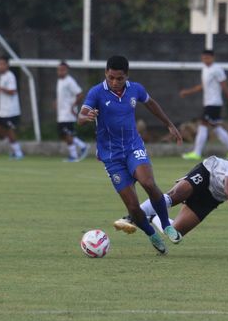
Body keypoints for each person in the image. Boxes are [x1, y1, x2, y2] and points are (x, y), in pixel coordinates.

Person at [78, 55, 183, 255]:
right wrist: (87, 116)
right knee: (134, 207)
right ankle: (152, 234)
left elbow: (151, 103)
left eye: (119, 78)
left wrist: (169, 124)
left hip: (133, 147)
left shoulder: (136, 89)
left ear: (127, 76)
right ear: (106, 74)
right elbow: (81, 115)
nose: (115, 82)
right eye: (111, 78)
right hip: (111, 157)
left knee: (149, 183)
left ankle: (166, 224)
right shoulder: (97, 93)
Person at [180, 49, 228, 160]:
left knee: (203, 124)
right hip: (209, 103)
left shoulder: (217, 69)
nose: (205, 60)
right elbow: (202, 86)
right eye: (203, 58)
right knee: (216, 127)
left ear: (213, 58)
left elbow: (224, 86)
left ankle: (196, 152)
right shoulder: (205, 69)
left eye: (207, 58)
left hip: (214, 103)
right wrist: (187, 92)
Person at [0, 55, 23, 159]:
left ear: (7, 65)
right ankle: (12, 145)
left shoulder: (10, 76)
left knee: (10, 131)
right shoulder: (2, 77)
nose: (0, 66)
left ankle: (18, 153)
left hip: (11, 110)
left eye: (2, 64)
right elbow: (3, 91)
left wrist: (0, 88)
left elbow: (13, 91)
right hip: (2, 111)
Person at [56, 61, 88, 162]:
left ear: (66, 70)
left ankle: (78, 151)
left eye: (62, 70)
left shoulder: (70, 81)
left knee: (67, 133)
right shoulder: (60, 81)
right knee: (63, 134)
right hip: (61, 112)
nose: (60, 72)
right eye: (59, 70)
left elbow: (79, 94)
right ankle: (78, 150)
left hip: (68, 113)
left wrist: (73, 106)